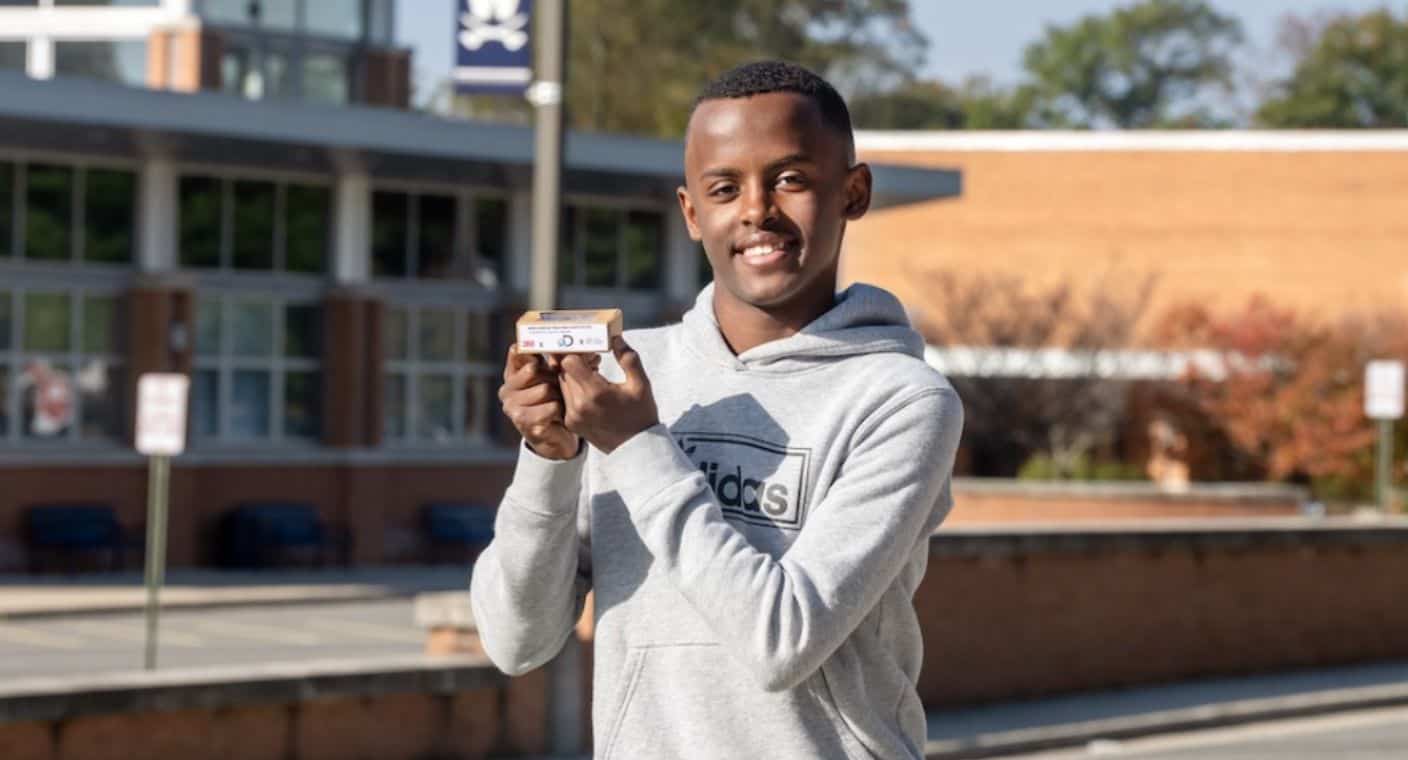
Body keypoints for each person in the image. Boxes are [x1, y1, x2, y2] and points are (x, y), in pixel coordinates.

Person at [471, 60, 964, 759]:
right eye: (725, 188)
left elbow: (782, 640)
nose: (757, 210)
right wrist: (550, 458)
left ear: (854, 192)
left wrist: (639, 447)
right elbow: (515, 642)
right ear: (692, 213)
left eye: (790, 178)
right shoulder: (628, 376)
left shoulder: (902, 402)